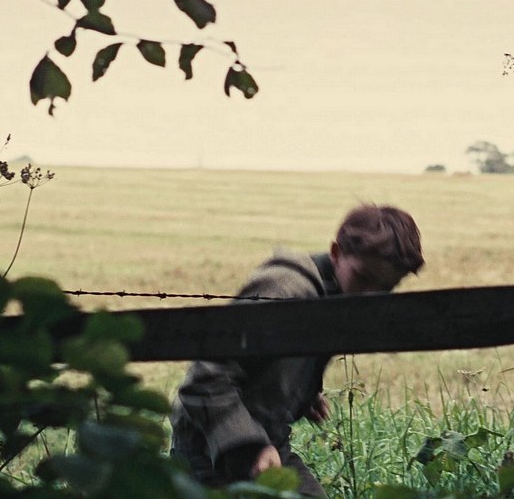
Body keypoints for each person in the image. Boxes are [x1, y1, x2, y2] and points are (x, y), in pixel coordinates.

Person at [170, 204, 424, 497]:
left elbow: (273, 360)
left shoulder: (334, 294)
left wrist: (302, 392)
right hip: (211, 450)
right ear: (336, 253)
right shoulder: (286, 291)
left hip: (268, 442)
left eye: (386, 288)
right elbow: (204, 379)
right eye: (364, 278)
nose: (371, 297)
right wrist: (251, 446)